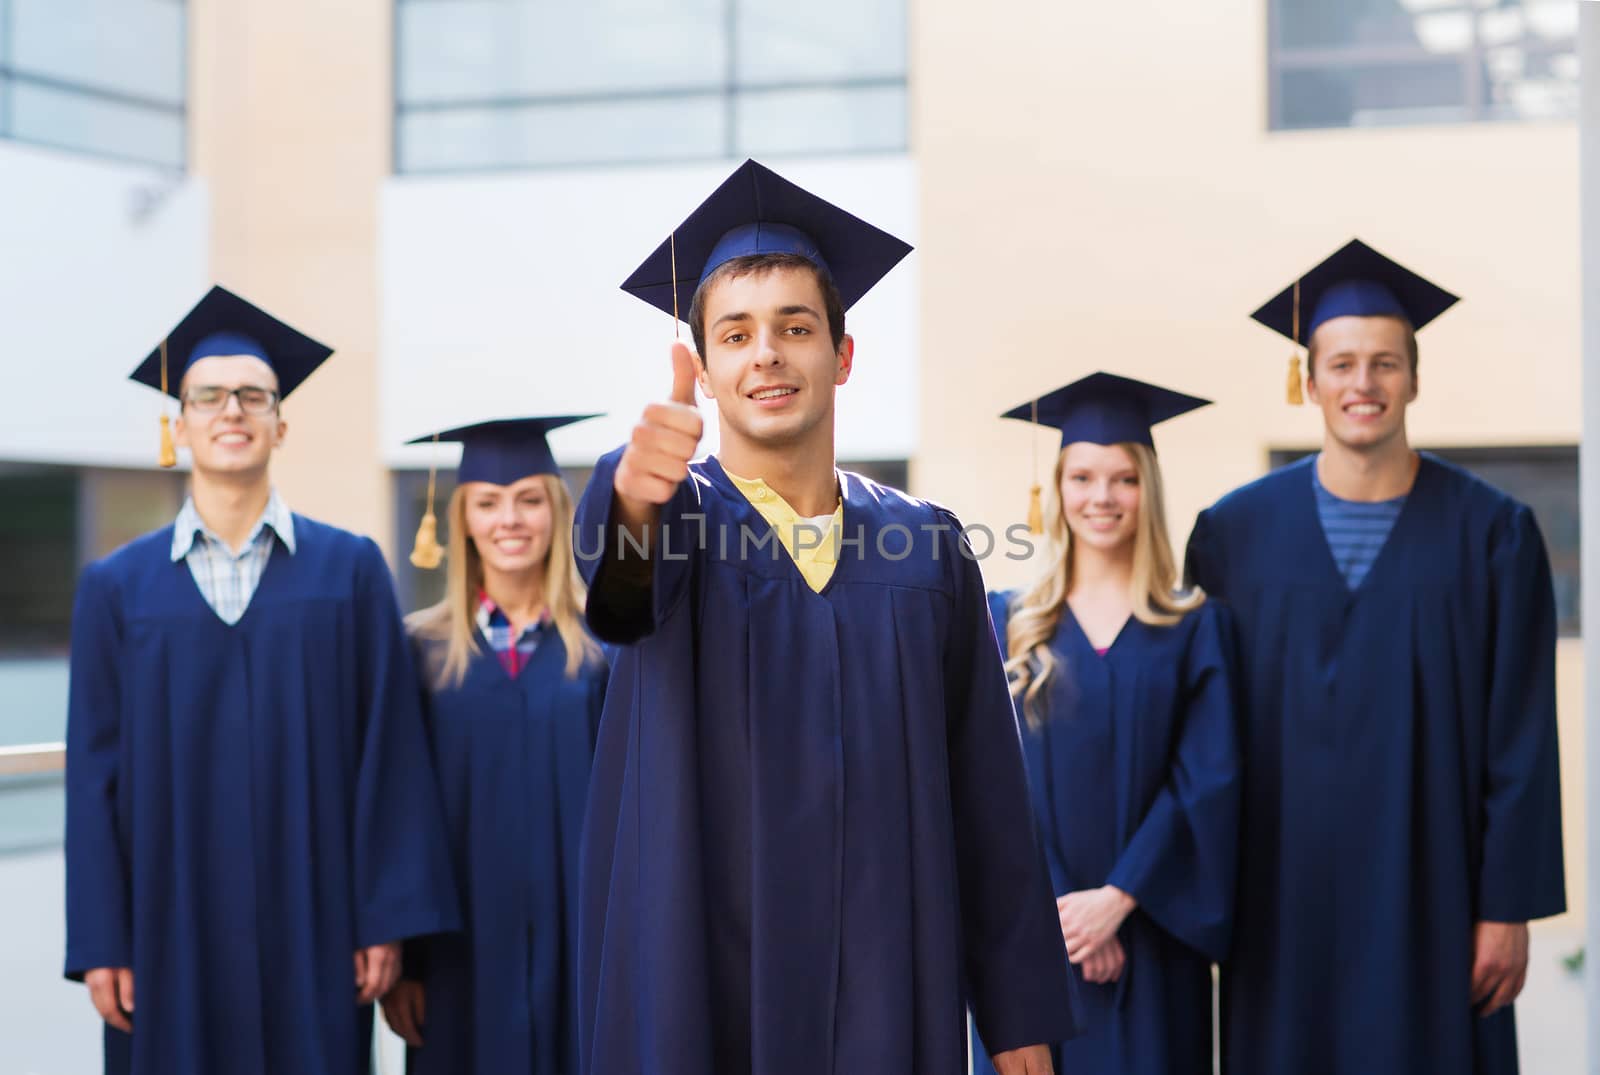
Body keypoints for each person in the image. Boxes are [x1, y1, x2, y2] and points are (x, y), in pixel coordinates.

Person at [572, 159, 1075, 1075]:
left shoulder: (926, 551)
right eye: (735, 335)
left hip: (884, 989)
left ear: (842, 357)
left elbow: (988, 805)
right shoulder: (678, 522)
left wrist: (1018, 1020)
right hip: (702, 983)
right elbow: (620, 588)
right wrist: (630, 496)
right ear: (710, 376)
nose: (765, 352)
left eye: (794, 327)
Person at [1185, 240, 1566, 1074]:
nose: (1364, 383)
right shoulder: (1232, 536)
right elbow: (1198, 738)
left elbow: (1522, 736)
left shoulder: (1493, 535)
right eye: (1344, 363)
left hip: (1435, 894)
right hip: (1277, 900)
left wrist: (1507, 908)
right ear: (1310, 379)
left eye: (1385, 363)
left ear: (1414, 379)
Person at [64, 285, 460, 1075]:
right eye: (208, 395)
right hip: (165, 924)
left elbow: (389, 754)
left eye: (253, 394)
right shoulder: (117, 586)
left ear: (282, 421)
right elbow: (94, 772)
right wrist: (103, 937)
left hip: (316, 918)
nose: (231, 411)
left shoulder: (349, 570)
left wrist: (387, 920)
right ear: (179, 424)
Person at [971, 372, 1240, 1075]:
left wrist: (1118, 899)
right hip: (1037, 938)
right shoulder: (1009, 622)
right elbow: (991, 786)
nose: (1102, 496)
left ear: (1147, 489)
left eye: (1123, 478)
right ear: (1056, 488)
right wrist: (1068, 912)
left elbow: (1206, 777)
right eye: (1083, 475)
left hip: (1154, 933)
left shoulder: (1193, 625)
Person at [382, 415, 610, 1075]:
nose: (509, 519)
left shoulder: (607, 648)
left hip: (580, 945)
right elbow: (400, 817)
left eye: (529, 499)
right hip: (458, 951)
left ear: (556, 510)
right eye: (487, 502)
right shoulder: (418, 652)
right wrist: (406, 959)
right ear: (463, 521)